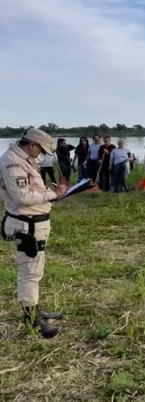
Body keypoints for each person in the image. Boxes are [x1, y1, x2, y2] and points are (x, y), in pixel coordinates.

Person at [0, 128, 68, 338]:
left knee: (35, 270)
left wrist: (49, 193)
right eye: (41, 150)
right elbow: (22, 197)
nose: (41, 155)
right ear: (32, 145)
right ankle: (32, 319)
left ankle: (35, 309)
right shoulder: (13, 162)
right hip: (26, 226)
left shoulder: (23, 160)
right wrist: (53, 194)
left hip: (33, 223)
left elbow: (30, 190)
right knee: (29, 272)